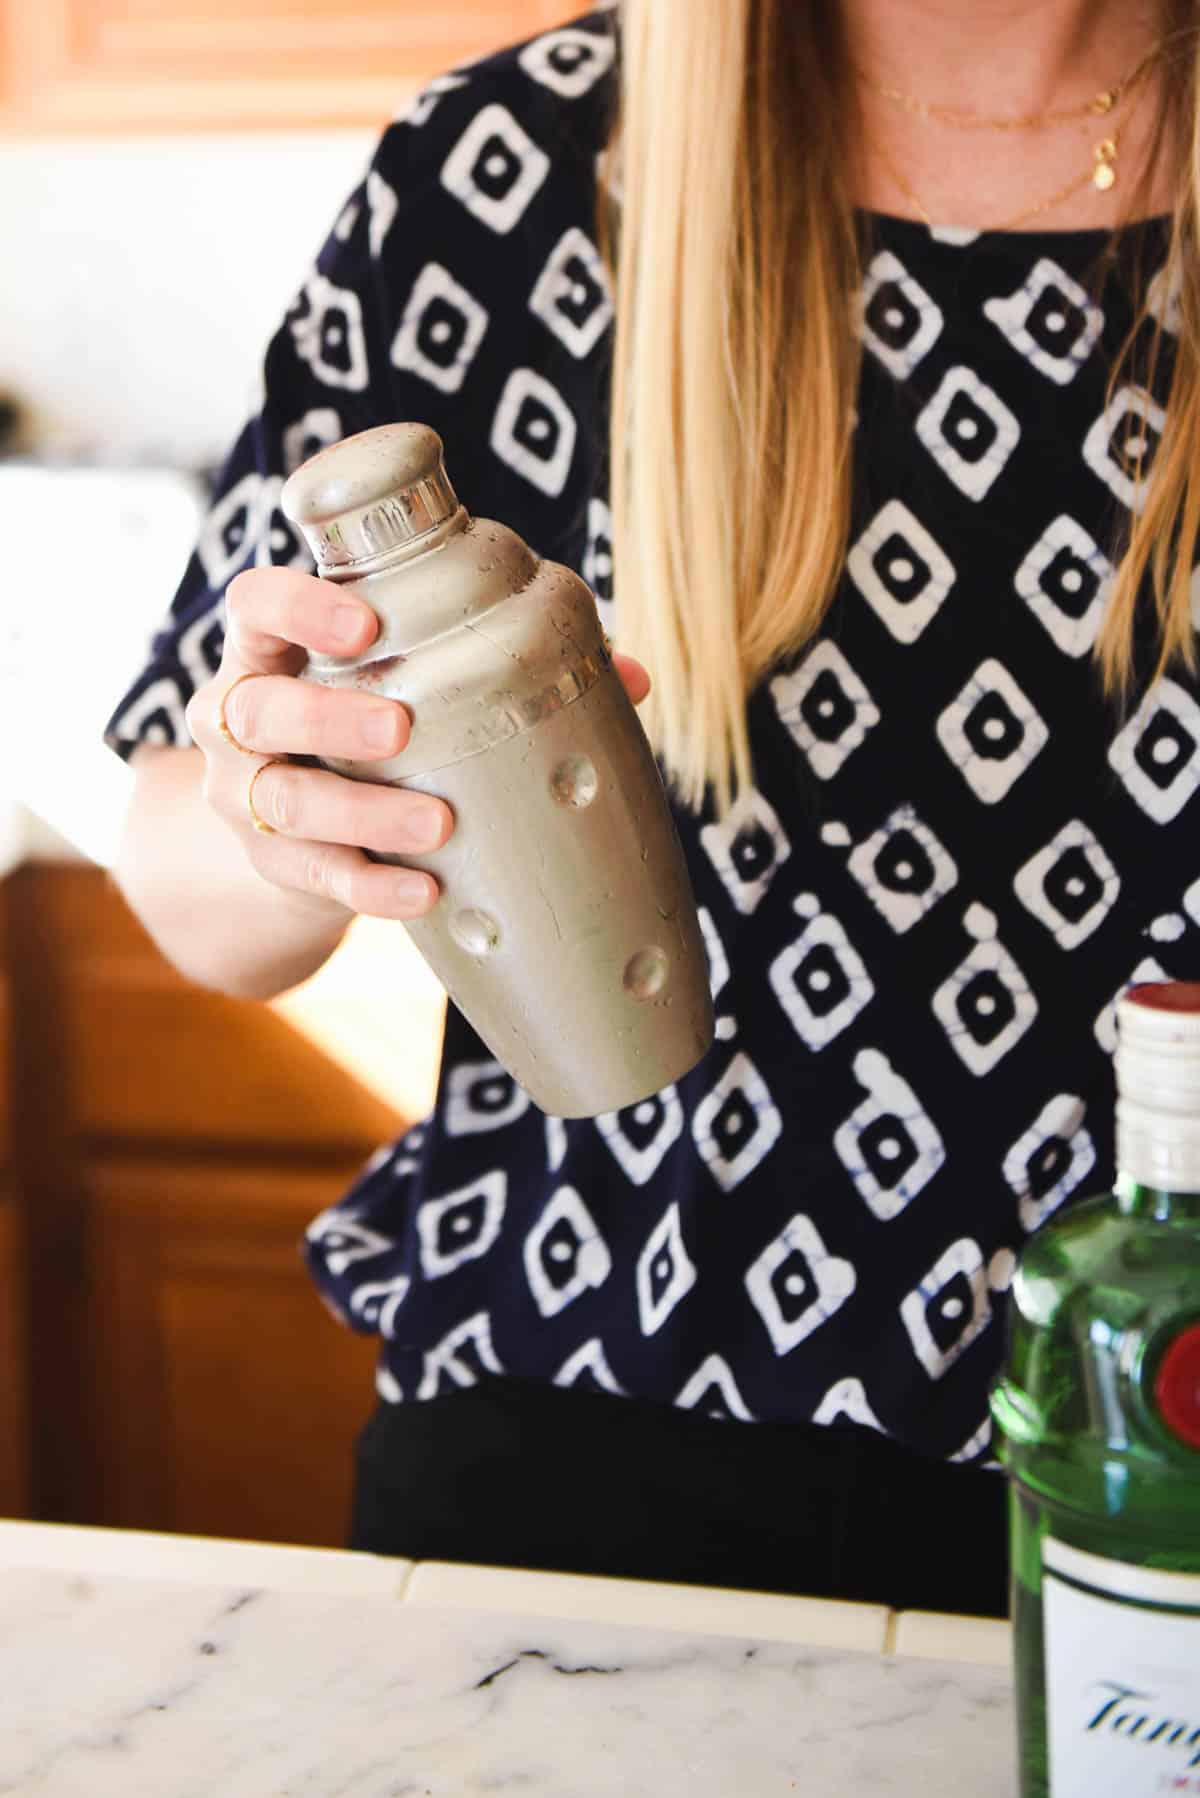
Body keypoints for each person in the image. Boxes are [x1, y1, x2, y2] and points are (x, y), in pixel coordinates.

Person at [107, 0, 1199, 1619]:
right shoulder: (506, 176)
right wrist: (283, 817)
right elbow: (182, 862)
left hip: (1146, 1467)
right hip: (583, 1440)